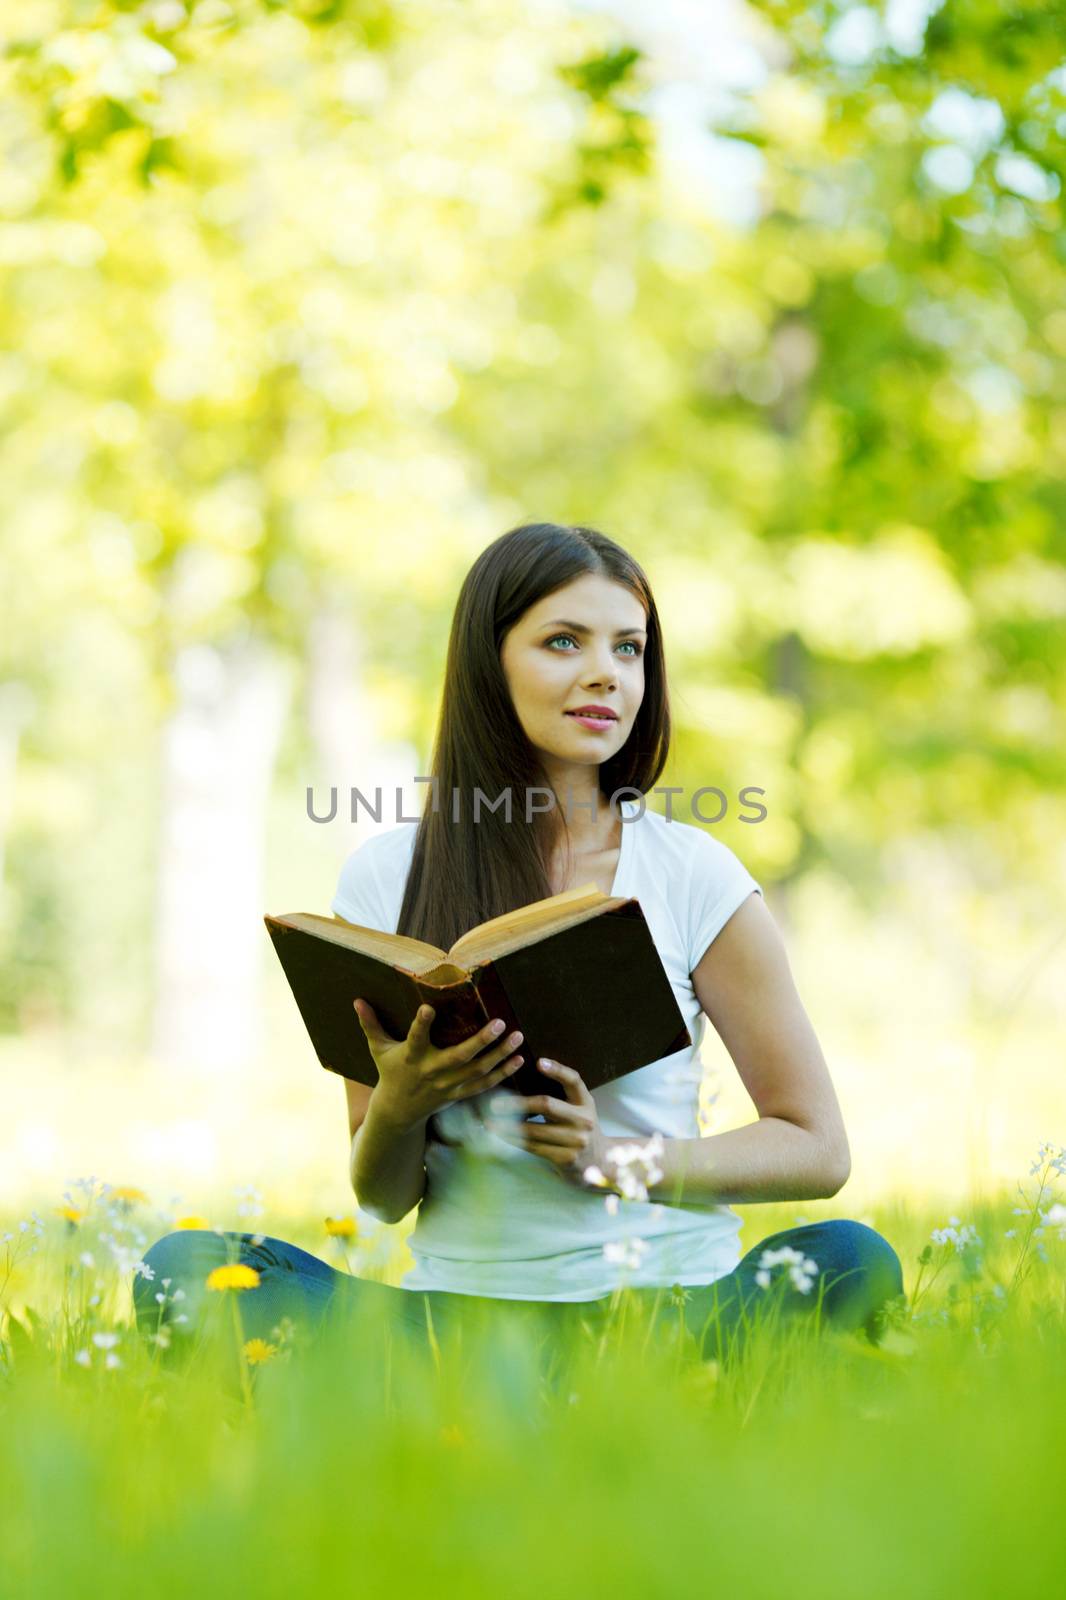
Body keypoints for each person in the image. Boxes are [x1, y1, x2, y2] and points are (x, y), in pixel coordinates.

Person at [135, 522, 904, 1373]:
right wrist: (399, 1103)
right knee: (182, 1272)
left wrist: (612, 1161)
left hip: (663, 1322)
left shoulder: (694, 874)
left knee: (851, 1257)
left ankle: (582, 1408)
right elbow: (384, 1199)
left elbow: (816, 1147)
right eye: (563, 641)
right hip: (456, 1333)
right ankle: (511, 1409)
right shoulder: (386, 876)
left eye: (630, 647)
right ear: (488, 662)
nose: (606, 671)